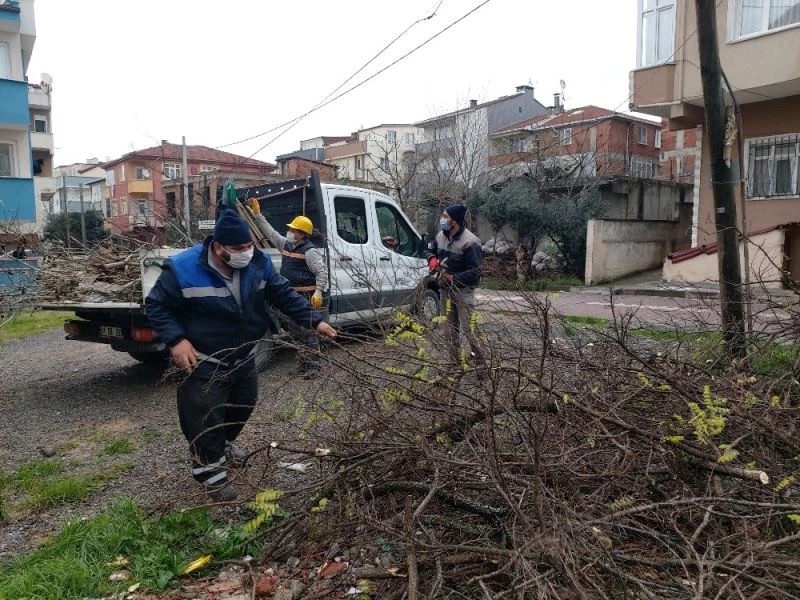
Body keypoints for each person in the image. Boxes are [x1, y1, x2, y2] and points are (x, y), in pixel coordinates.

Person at [145, 209, 337, 501]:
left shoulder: (258, 263)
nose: (246, 252)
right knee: (204, 417)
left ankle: (223, 446)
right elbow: (157, 306)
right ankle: (210, 472)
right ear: (218, 247)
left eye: (248, 246)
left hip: (242, 356)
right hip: (204, 359)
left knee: (242, 406)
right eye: (238, 249)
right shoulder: (183, 268)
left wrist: (316, 320)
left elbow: (282, 294)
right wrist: (176, 340)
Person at [246, 198, 328, 376]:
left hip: (306, 297)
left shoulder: (310, 251)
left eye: (293, 230)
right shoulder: (287, 244)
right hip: (291, 297)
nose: (290, 231)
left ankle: (314, 367)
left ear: (302, 233)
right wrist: (258, 216)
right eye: (291, 229)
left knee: (307, 333)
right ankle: (303, 364)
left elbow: (321, 272)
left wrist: (319, 292)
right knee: (295, 333)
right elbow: (270, 232)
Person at [425, 204, 485, 371]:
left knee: (470, 330)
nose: (442, 219)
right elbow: (430, 250)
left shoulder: (470, 242)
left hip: (463, 291)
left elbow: (475, 272)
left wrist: (454, 277)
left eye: (445, 216)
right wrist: (431, 259)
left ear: (454, 221)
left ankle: (481, 367)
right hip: (445, 290)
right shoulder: (440, 236)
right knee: (449, 330)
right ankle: (455, 365)